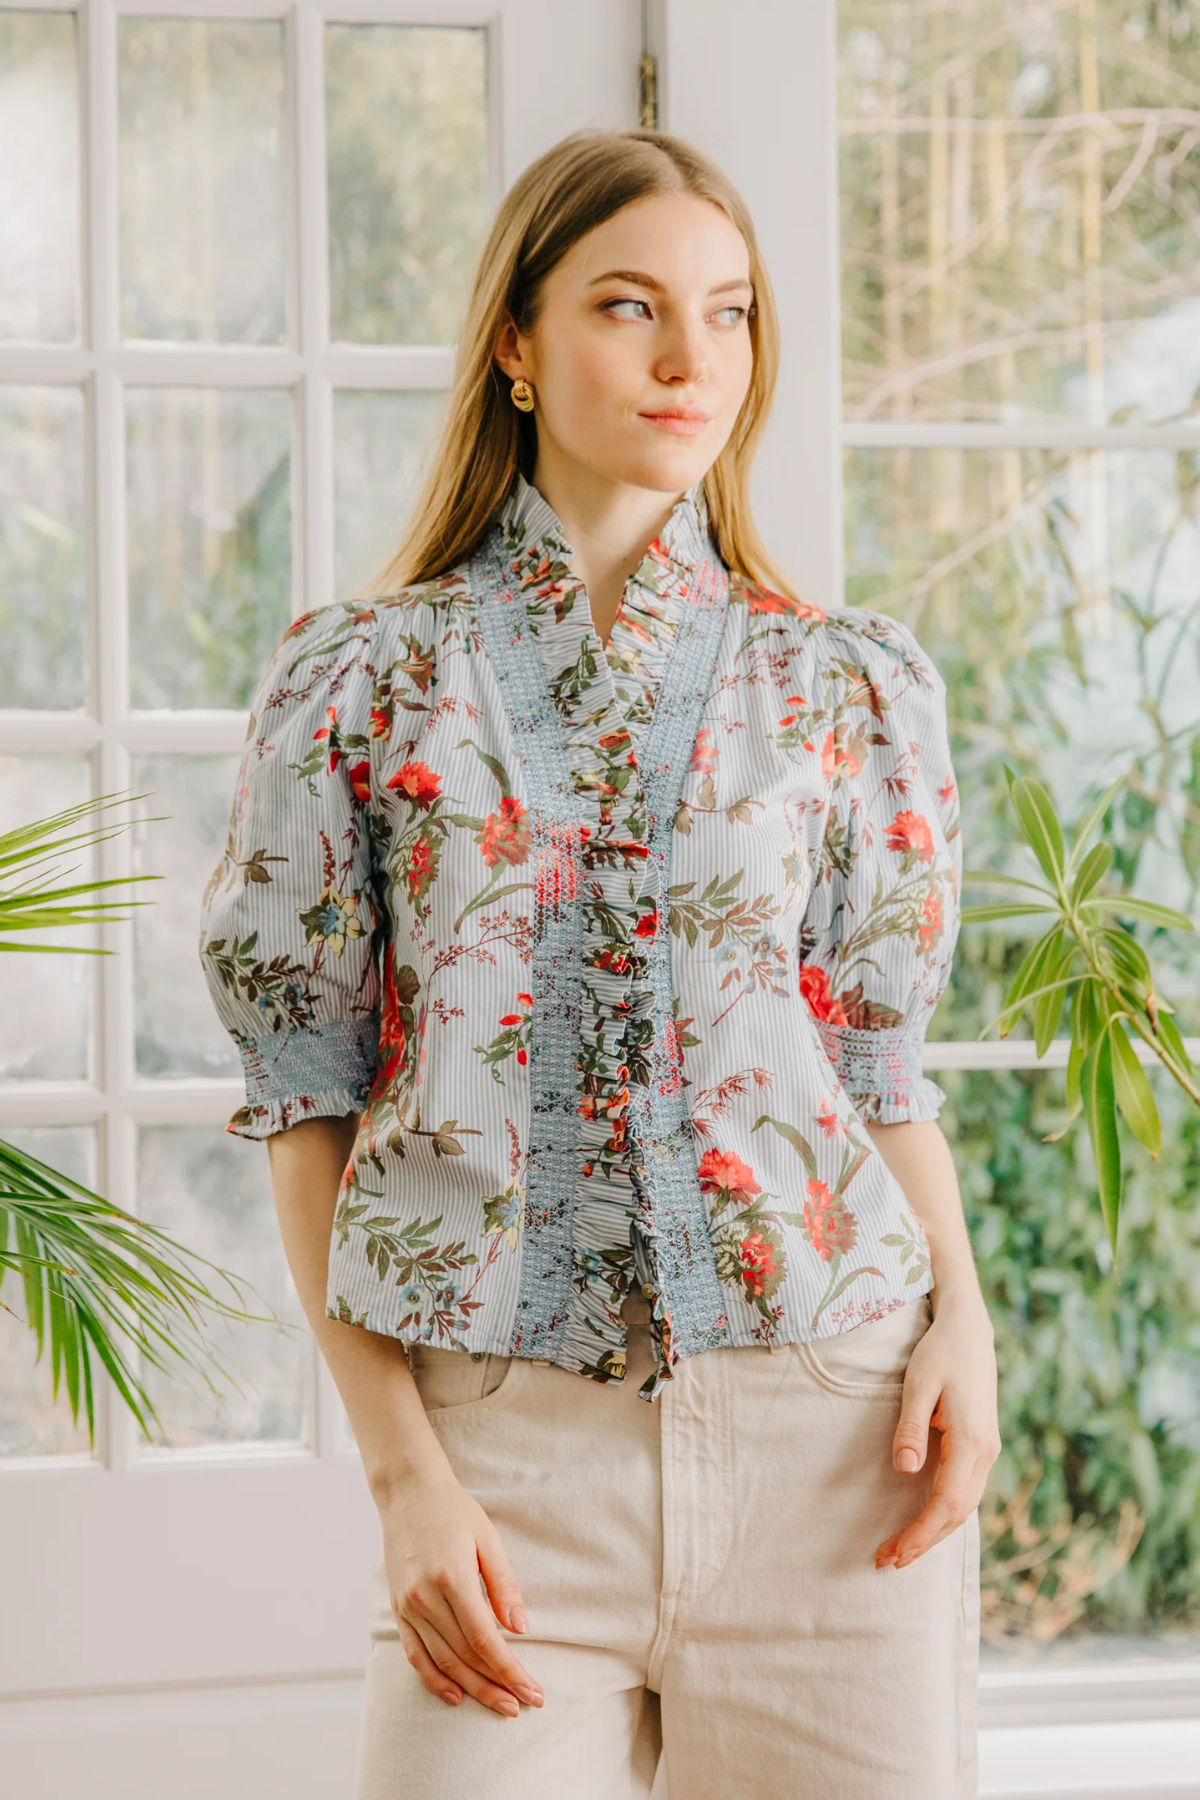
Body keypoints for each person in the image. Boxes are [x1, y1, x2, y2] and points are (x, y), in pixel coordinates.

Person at [200, 128, 998, 1800]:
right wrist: (406, 1476)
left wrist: (966, 1333)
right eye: (630, 307)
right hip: (502, 1468)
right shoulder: (361, 681)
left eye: (730, 313)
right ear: (516, 341)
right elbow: (305, 1096)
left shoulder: (848, 686)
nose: (690, 358)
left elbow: (871, 1071)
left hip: (837, 1447)